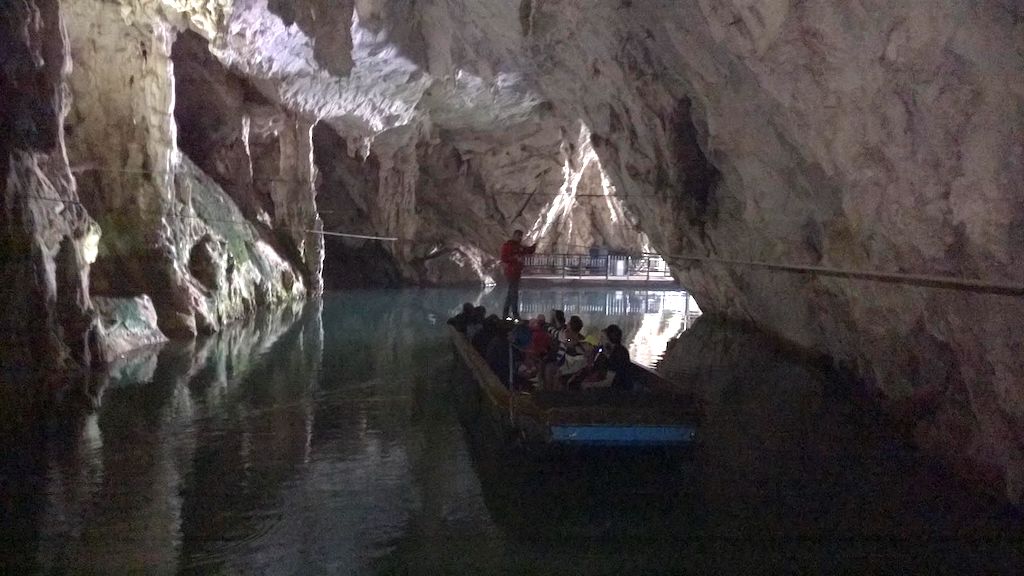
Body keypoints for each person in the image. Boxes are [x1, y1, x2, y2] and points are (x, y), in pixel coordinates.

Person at [499, 230, 536, 320]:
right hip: (510, 272)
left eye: (520, 237)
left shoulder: (519, 246)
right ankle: (515, 314)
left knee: (511, 293)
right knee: (514, 293)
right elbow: (504, 258)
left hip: (516, 272)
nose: (520, 238)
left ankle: (506, 313)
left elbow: (527, 250)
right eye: (518, 236)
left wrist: (534, 246)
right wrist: (515, 258)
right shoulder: (508, 246)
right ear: (514, 235)